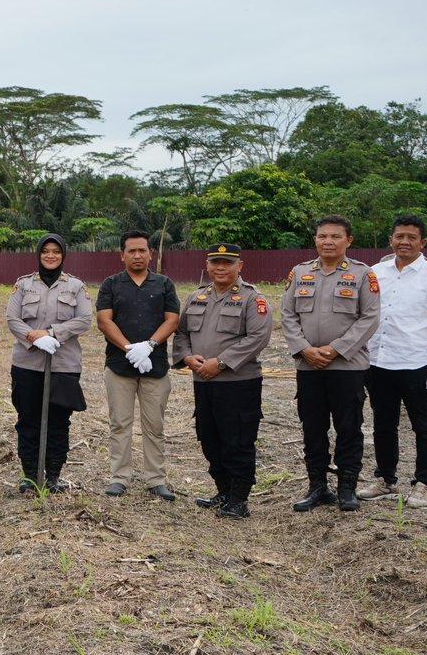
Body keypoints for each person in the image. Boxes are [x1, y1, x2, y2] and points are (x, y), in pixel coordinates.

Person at [281, 214, 381, 513]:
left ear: (348, 240)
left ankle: (347, 488)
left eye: (335, 236)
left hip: (347, 367)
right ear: (315, 239)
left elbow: (369, 318)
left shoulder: (363, 275)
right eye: (322, 236)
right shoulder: (299, 273)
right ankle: (317, 487)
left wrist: (336, 350)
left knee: (349, 427)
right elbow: (287, 315)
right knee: (312, 427)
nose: (328, 241)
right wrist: (304, 349)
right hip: (308, 366)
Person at [172, 245, 272, 519]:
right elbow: (181, 334)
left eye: (227, 263)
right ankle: (223, 491)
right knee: (210, 438)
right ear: (207, 265)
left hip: (238, 382)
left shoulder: (253, 299)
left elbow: (258, 337)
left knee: (237, 440)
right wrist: (188, 358)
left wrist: (221, 362)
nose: (221, 268)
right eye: (215, 262)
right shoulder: (196, 297)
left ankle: (239, 499)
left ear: (240, 265)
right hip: (203, 381)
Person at [363, 214, 427, 509]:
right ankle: (385, 479)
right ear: (391, 239)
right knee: (383, 423)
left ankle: (424, 484)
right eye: (399, 236)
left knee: (423, 425)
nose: (405, 241)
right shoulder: (375, 272)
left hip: (416, 363)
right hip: (378, 361)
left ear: (422, 242)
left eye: (411, 237)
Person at [95, 230, 181, 501]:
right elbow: (104, 321)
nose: (137, 255)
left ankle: (155, 479)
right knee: (120, 423)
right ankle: (119, 477)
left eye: (142, 250)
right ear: (122, 255)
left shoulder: (164, 284)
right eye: (131, 251)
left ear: (150, 253)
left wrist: (149, 346)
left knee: (154, 424)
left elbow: (172, 320)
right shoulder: (111, 284)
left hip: (155, 366)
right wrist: (131, 349)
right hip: (119, 365)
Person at [6, 234, 92, 492]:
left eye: (56, 251)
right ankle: (31, 475)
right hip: (27, 364)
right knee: (27, 420)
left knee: (58, 422)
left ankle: (53, 475)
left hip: (63, 365)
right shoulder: (23, 285)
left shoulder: (75, 286)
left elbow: (85, 319)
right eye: (46, 251)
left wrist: (52, 333)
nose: (51, 256)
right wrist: (33, 337)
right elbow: (12, 319)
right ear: (39, 255)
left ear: (63, 255)